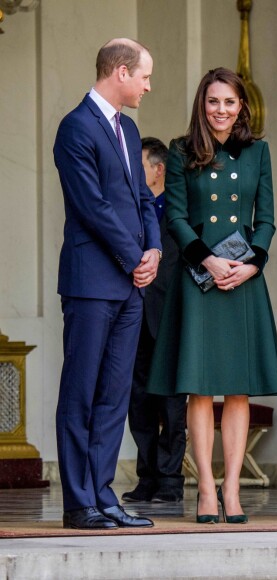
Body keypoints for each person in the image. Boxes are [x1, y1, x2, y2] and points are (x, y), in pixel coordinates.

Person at [147, 67, 277, 524]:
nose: (221, 110)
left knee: (238, 388)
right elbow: (176, 218)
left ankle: (232, 491)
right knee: (200, 391)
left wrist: (252, 264)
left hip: (243, 281)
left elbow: (265, 218)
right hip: (198, 279)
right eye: (213, 102)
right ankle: (205, 489)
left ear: (241, 106)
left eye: (229, 102)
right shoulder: (181, 150)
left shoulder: (258, 152)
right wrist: (207, 260)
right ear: (201, 105)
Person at [53, 38, 160, 530]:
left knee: (115, 395)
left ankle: (103, 495)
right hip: (91, 282)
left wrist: (154, 249)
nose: (148, 85)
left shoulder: (130, 129)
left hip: (130, 286)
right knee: (81, 392)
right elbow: (91, 206)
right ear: (120, 72)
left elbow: (142, 197)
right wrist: (135, 254)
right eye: (144, 76)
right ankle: (79, 503)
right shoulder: (75, 128)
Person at [122, 137, 186, 504]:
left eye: (139, 165)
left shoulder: (178, 212)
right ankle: (147, 477)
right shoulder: (130, 210)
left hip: (170, 317)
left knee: (173, 404)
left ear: (159, 170)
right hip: (135, 317)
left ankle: (170, 479)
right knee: (139, 401)